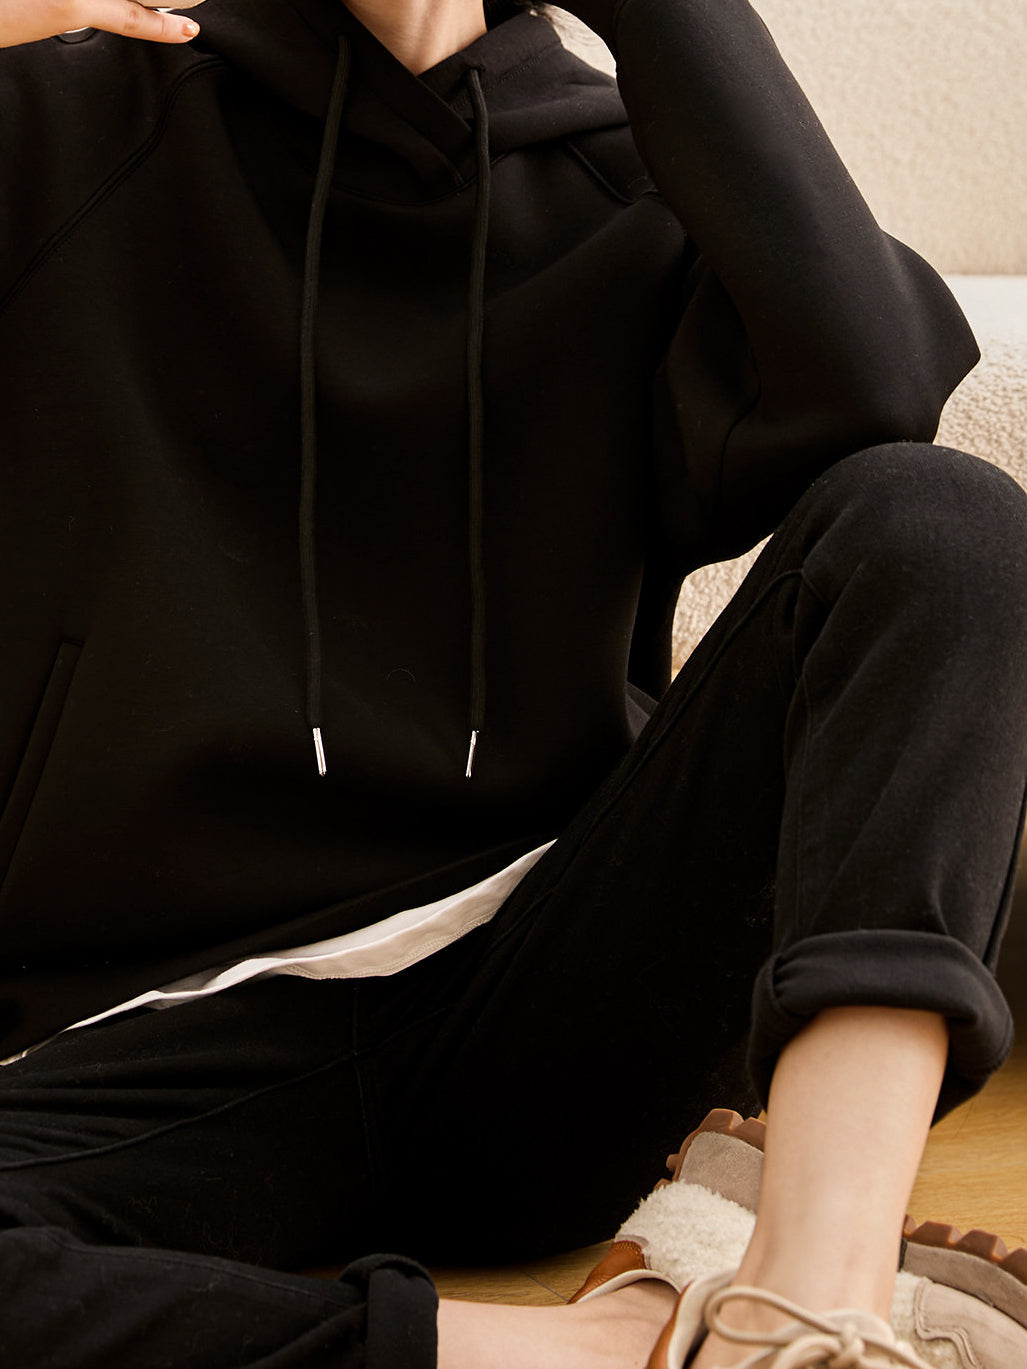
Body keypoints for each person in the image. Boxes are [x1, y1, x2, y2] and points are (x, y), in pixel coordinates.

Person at [0, 0, 1025, 1365]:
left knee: (948, 526)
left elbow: (877, 396)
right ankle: (641, 1341)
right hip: (169, 1037)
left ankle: (812, 1287)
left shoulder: (638, 184)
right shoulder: (67, 118)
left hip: (546, 990)